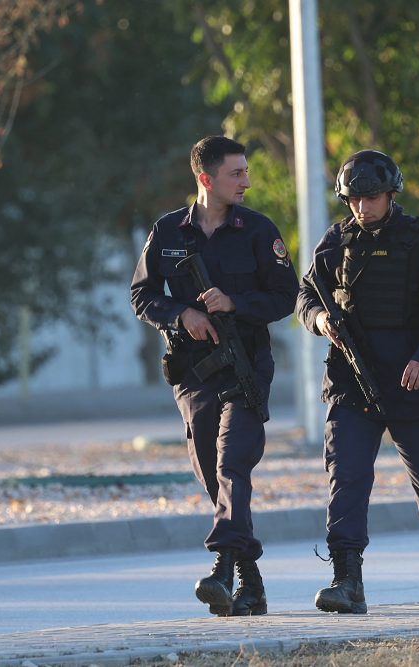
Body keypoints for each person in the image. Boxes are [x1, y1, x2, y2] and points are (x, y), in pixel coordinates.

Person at [296, 149, 419, 614]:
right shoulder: (336, 242)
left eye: (370, 197)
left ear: (391, 194)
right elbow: (305, 294)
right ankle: (346, 579)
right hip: (353, 380)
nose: (362, 207)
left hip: (414, 379)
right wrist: (319, 322)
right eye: (353, 199)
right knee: (347, 478)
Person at [130, 135, 299, 617]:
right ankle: (251, 580)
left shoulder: (258, 230)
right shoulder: (167, 232)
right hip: (193, 371)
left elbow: (285, 296)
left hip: (245, 362)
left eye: (246, 172)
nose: (246, 181)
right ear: (206, 179)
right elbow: (142, 295)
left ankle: (223, 567)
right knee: (210, 464)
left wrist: (235, 304)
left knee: (233, 459)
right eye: (236, 174)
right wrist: (183, 314)